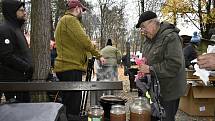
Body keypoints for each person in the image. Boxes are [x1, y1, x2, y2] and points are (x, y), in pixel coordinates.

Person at [54, 0, 104, 120]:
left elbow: (78, 42)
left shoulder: (64, 21)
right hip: (69, 68)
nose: (82, 12)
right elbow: (84, 40)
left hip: (67, 67)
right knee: (73, 105)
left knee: (69, 102)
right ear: (77, 8)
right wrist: (98, 55)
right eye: (82, 10)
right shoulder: (70, 20)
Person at [135, 11, 186, 121]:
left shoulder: (171, 37)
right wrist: (143, 64)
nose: (142, 31)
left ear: (153, 23)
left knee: (165, 118)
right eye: (141, 28)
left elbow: (174, 65)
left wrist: (150, 69)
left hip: (168, 91)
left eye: (143, 27)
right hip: (154, 90)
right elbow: (150, 59)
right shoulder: (148, 41)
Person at [0, 0, 33, 102]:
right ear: (12, 12)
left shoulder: (16, 29)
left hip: (21, 81)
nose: (25, 13)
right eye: (21, 10)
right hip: (12, 81)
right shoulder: (4, 29)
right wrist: (26, 67)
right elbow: (7, 56)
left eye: (25, 10)